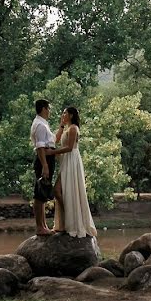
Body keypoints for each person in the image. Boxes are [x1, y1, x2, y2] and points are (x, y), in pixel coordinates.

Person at [49, 106, 97, 238]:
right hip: (66, 162)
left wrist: (52, 152)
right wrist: (61, 125)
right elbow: (56, 140)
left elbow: (69, 148)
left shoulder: (74, 128)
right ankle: (64, 222)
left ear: (70, 115)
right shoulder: (66, 128)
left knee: (60, 190)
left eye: (64, 113)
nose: (62, 114)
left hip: (72, 161)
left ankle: (71, 223)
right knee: (58, 191)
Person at [30, 98, 62, 236]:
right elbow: (40, 147)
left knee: (42, 194)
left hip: (48, 158)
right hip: (45, 159)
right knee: (39, 194)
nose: (49, 111)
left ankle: (43, 225)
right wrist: (45, 166)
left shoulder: (43, 123)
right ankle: (39, 226)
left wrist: (61, 126)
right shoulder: (40, 125)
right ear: (43, 108)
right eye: (48, 108)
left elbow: (54, 140)